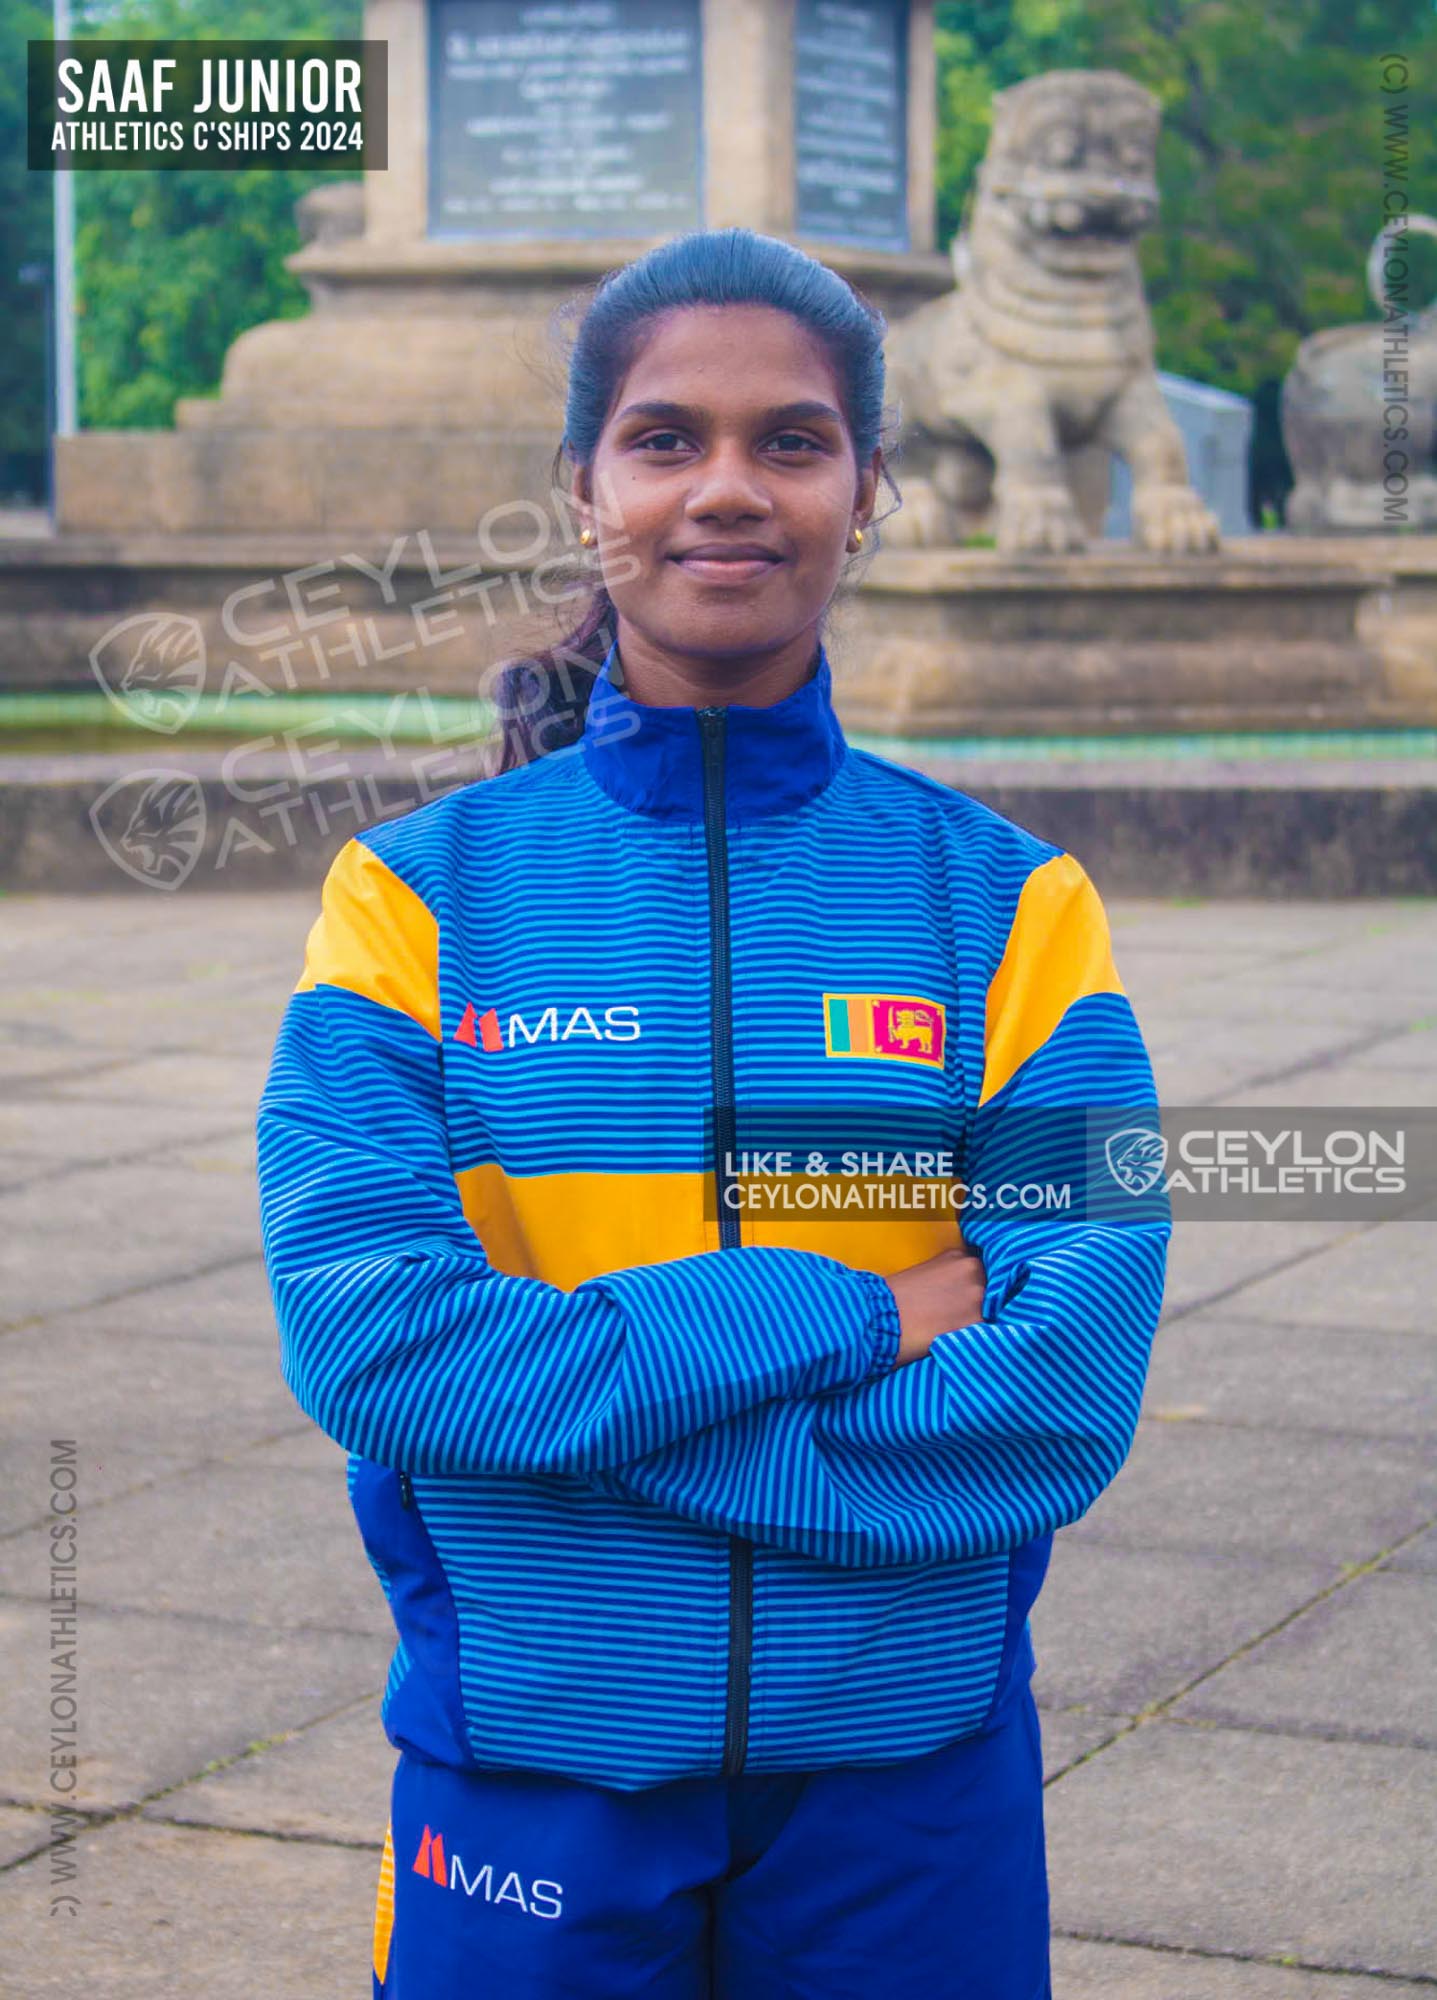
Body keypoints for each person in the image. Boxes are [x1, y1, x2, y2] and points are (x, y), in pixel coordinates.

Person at [255, 226, 1171, 2000]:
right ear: (582, 488)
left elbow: (1064, 1393)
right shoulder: (409, 900)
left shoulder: (1020, 908)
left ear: (869, 489)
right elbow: (369, 1344)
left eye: (793, 441)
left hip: (910, 1775)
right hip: (533, 1760)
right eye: (666, 438)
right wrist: (851, 1314)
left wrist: (568, 1438)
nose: (728, 487)